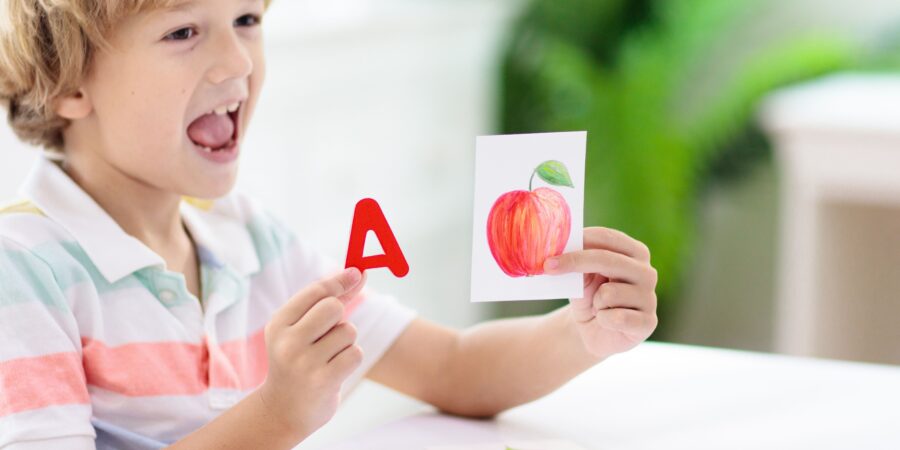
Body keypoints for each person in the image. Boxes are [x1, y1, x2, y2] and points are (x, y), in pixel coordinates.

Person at [0, 0, 658, 448]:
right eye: (183, 32)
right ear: (68, 82)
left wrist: (584, 329)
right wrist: (277, 415)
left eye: (247, 18)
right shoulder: (24, 269)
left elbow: (456, 369)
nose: (238, 62)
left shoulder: (252, 244)